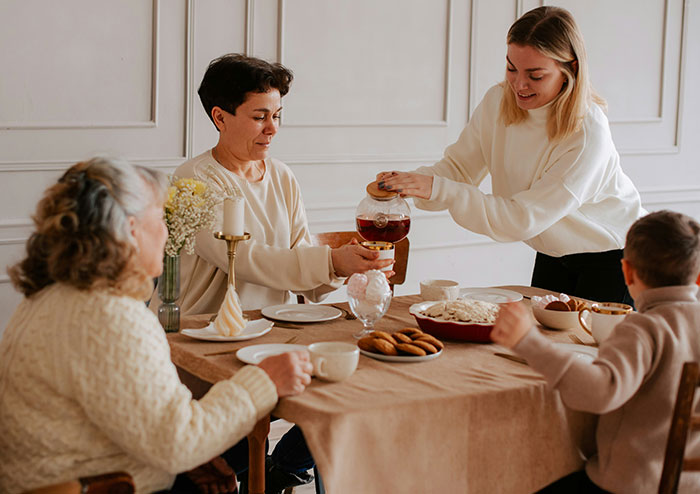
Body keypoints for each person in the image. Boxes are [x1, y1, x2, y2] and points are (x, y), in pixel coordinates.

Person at [0, 158, 312, 494]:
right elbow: (179, 441)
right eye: (159, 218)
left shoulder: (51, 297)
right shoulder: (113, 318)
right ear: (131, 230)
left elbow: (122, 413)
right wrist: (263, 380)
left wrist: (190, 459)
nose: (166, 232)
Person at [376, 6, 645, 305]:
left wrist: (439, 189)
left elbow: (521, 218)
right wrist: (412, 184)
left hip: (613, 258)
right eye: (511, 68)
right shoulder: (498, 101)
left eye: (536, 75)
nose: (518, 84)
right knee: (539, 348)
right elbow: (459, 167)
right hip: (553, 251)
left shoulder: (587, 134)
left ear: (570, 69)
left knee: (593, 351)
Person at [150, 53, 392, 316]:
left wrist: (341, 268)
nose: (273, 128)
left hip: (272, 325)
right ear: (220, 118)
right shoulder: (193, 180)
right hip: (198, 329)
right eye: (259, 117)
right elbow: (242, 259)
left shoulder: (281, 175)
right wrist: (331, 261)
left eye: (276, 116)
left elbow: (304, 275)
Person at [491, 210, 700, 493]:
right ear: (697, 277)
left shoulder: (642, 329)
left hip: (630, 483)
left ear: (627, 272)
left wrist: (529, 342)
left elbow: (598, 393)